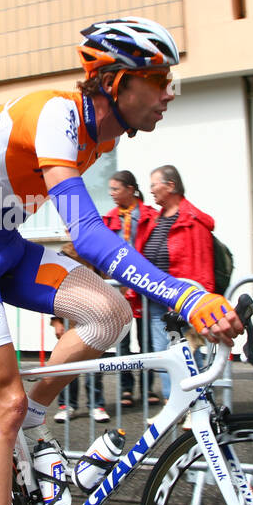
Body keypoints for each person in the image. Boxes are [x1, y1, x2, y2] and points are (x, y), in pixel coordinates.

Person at [0, 17, 243, 505]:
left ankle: (34, 417)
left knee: (108, 311)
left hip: (3, 243)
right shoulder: (59, 116)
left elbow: (82, 231)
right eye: (159, 79)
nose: (169, 92)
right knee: (2, 403)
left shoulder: (103, 136)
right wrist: (183, 294)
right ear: (119, 82)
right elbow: (89, 232)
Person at [142, 165, 218, 402]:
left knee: (189, 352)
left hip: (181, 300)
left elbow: (203, 266)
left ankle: (199, 402)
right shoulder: (155, 218)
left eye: (155, 184)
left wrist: (198, 302)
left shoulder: (193, 221)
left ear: (171, 185)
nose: (151, 190)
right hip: (156, 300)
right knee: (164, 354)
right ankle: (172, 402)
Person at [102, 170, 158, 407]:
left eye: (115, 189)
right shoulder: (110, 218)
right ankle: (126, 389)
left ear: (130, 189)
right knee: (122, 343)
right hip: (119, 288)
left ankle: (147, 389)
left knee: (147, 341)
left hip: (143, 287)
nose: (111, 193)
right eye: (110, 189)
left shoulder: (150, 216)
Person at [49, 315, 107, 422]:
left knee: (94, 367)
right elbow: (57, 298)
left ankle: (96, 405)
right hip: (69, 322)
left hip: (95, 322)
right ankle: (66, 405)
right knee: (67, 366)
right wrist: (56, 321)